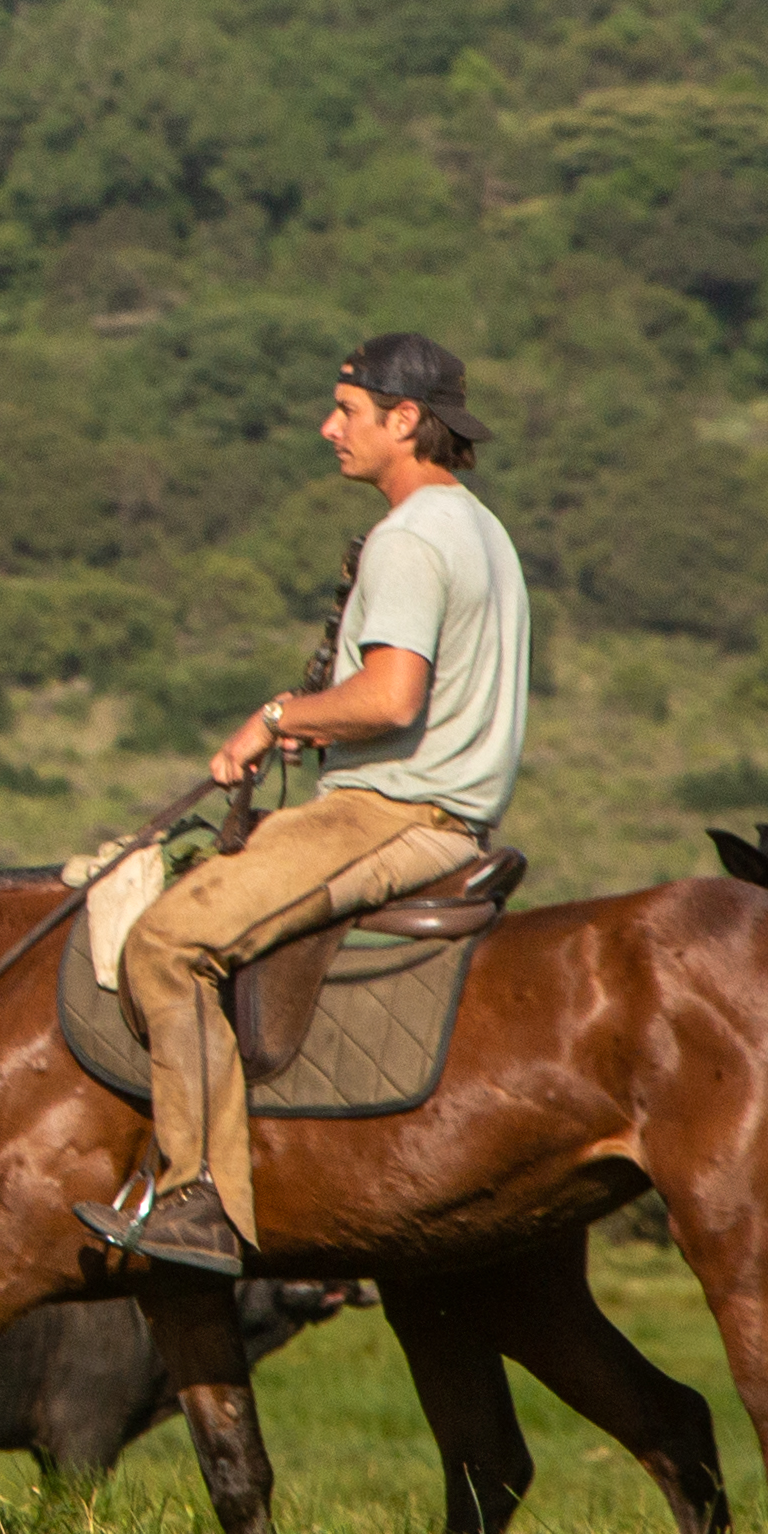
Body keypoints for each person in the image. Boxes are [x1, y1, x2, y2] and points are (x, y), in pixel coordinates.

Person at [74, 332, 524, 1277]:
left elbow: (391, 697)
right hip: (443, 808)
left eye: (347, 411)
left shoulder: (409, 537)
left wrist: (278, 713)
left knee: (165, 942)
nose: (329, 429)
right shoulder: (480, 526)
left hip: (393, 813)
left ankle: (198, 1199)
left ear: (405, 421)